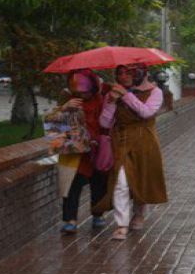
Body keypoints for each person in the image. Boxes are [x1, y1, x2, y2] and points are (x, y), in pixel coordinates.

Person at [94, 63, 168, 240]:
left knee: (141, 178)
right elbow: (104, 123)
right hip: (121, 141)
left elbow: (146, 112)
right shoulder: (114, 92)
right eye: (120, 73)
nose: (124, 76)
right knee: (121, 181)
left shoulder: (154, 92)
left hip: (145, 140)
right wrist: (111, 102)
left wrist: (126, 96)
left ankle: (139, 212)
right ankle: (121, 224)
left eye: (129, 73)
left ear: (140, 73)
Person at [44, 69, 108, 234]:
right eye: (78, 90)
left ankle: (98, 214)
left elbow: (107, 122)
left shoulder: (101, 99)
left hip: (96, 151)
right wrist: (65, 108)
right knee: (71, 185)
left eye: (85, 91)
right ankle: (70, 220)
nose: (82, 94)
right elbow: (52, 121)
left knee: (99, 183)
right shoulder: (67, 99)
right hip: (74, 152)